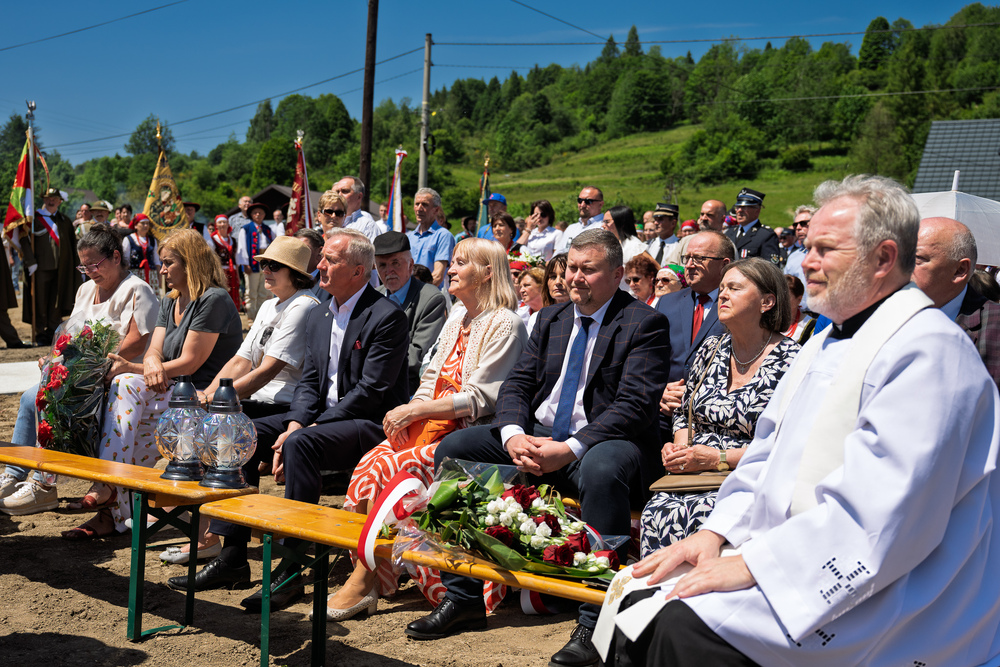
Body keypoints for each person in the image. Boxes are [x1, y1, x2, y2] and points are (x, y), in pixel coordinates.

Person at [602, 174, 1000, 667]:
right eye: (807, 247)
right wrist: (715, 533)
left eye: (825, 249)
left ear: (883, 257)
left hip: (899, 592)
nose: (805, 262)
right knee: (635, 597)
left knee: (679, 627)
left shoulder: (928, 352)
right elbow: (768, 452)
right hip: (796, 548)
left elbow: (889, 511)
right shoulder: (828, 339)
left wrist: (756, 563)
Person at [407, 229, 671, 667]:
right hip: (539, 437)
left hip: (606, 442)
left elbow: (635, 406)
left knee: (603, 470)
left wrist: (569, 447)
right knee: (456, 447)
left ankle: (594, 622)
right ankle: (465, 596)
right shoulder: (551, 319)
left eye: (589, 269)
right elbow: (518, 385)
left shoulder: (644, 322)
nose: (575, 278)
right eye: (571, 268)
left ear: (618, 274)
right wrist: (512, 435)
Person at [170, 228, 409, 612]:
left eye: (331, 260)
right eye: (323, 258)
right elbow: (310, 382)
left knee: (301, 444)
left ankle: (292, 570)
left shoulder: (387, 317)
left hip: (369, 426)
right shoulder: (321, 314)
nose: (320, 266)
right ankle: (232, 555)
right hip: (321, 421)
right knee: (237, 432)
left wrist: (309, 429)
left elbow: (371, 392)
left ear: (359, 271)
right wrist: (297, 422)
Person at [330, 238, 528, 620]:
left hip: (472, 435)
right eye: (451, 262)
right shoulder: (457, 316)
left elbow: (481, 399)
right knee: (376, 458)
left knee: (397, 468)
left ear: (487, 272)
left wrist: (413, 412)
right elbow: (430, 376)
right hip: (435, 425)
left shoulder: (506, 324)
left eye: (460, 263)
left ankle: (365, 579)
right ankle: (377, 564)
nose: (449, 270)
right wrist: (413, 411)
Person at [61, 229, 242, 538]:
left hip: (200, 396)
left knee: (126, 385)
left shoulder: (213, 299)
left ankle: (108, 492)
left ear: (191, 263)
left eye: (168, 263)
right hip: (169, 392)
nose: (161, 270)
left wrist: (139, 368)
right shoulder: (171, 300)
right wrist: (149, 364)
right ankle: (115, 508)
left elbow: (190, 361)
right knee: (125, 417)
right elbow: (154, 350)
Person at [159, 236, 320, 564]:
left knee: (226, 436)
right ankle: (216, 542)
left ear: (296, 273)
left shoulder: (304, 305)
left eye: (274, 266)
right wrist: (209, 395)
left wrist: (218, 401)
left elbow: (270, 370)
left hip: (286, 405)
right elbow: (240, 361)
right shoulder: (267, 305)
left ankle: (219, 546)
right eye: (263, 264)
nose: (266, 271)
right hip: (260, 402)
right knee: (214, 430)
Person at [640, 258, 798, 556]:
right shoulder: (712, 349)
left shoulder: (792, 361)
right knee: (657, 511)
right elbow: (684, 414)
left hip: (750, 477)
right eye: (722, 287)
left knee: (703, 516)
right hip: (695, 474)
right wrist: (680, 449)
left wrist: (717, 458)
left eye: (734, 288)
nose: (722, 294)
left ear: (767, 302)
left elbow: (787, 443)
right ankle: (658, 599)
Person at [0, 224, 159, 516]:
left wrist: (86, 365)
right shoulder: (85, 289)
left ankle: (43, 484)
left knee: (52, 402)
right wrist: (56, 359)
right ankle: (14, 473)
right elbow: (71, 334)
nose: (89, 272)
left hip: (119, 376)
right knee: (29, 397)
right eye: (83, 266)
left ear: (115, 256)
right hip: (83, 375)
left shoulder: (138, 289)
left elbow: (138, 342)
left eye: (94, 264)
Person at [913, 216, 1000, 387]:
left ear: (960, 270)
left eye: (916, 259)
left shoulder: (995, 328)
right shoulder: (879, 316)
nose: (900, 268)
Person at [374, 231, 448, 392]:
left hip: (405, 387)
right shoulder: (374, 297)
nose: (389, 271)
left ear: (410, 265)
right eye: (382, 265)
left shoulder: (430, 298)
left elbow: (416, 358)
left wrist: (371, 362)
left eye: (396, 263)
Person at [21, 187, 82, 346]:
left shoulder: (64, 220)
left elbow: (72, 244)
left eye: (54, 198)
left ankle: (54, 331)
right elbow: (23, 239)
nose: (51, 201)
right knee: (40, 300)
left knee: (57, 300)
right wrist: (30, 261)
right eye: (48, 198)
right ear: (43, 200)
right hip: (40, 267)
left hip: (62, 268)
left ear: (60, 201)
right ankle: (41, 332)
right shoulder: (34, 219)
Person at [407, 188, 456, 288]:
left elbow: (437, 276)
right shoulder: (409, 237)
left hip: (430, 297)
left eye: (424, 204)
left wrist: (417, 294)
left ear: (436, 210)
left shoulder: (443, 236)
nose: (419, 208)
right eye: (417, 204)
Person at [236, 201, 274, 322]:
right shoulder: (246, 229)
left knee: (264, 291)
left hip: (265, 262)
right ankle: (251, 318)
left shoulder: (268, 229)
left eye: (261, 213)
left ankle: (261, 317)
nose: (258, 215)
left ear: (264, 215)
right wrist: (245, 264)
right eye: (255, 213)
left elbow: (273, 245)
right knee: (251, 292)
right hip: (252, 264)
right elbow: (241, 247)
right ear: (251, 215)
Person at [602, 206, 654, 291]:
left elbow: (654, 270)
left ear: (620, 222)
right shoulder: (610, 244)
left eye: (607, 222)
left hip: (630, 298)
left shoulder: (634, 246)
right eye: (603, 221)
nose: (603, 225)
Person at [724, 187, 781, 264]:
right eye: (738, 207)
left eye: (744, 207)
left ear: (757, 210)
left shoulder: (766, 235)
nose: (739, 210)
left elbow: (771, 268)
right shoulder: (729, 232)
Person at [556, 186, 605, 254]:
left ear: (600, 204)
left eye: (588, 201)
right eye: (580, 200)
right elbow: (557, 256)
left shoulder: (604, 227)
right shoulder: (571, 228)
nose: (582, 205)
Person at [783, 204, 813, 310]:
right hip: (798, 317)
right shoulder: (794, 257)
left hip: (823, 316)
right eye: (796, 225)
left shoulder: (828, 253)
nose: (798, 228)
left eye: (803, 224)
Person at [209, 214, 241, 310]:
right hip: (220, 271)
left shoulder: (233, 240)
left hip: (233, 271)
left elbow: (236, 259)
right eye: (220, 222)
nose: (222, 224)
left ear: (228, 224)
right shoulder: (213, 240)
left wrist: (238, 275)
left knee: (233, 293)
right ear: (216, 225)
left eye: (224, 222)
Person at [333, 176, 381, 240]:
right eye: (337, 192)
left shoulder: (368, 226)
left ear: (359, 197)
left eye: (344, 191)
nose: (339, 195)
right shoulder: (331, 220)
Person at [120, 213, 160, 290]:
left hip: (151, 275)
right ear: (136, 225)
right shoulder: (128, 239)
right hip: (135, 274)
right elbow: (125, 261)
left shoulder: (152, 240)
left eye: (147, 223)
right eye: (142, 223)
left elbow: (156, 261)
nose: (146, 226)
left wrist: (159, 279)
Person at [295, 227, 331, 303]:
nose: (296, 253)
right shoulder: (285, 279)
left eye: (303, 249)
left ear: (320, 252)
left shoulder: (330, 284)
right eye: (293, 249)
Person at [782, 275, 815, 344]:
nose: (780, 302)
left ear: (799, 299)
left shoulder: (809, 326)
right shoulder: (767, 322)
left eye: (786, 298)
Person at [516, 266, 545, 332]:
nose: (521, 290)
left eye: (526, 285)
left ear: (541, 285)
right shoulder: (520, 315)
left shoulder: (556, 311)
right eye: (520, 287)